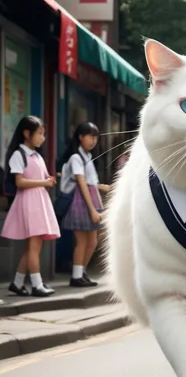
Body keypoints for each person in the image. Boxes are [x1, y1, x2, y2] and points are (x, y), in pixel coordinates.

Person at [1, 116, 59, 297]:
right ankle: (37, 284)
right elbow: (19, 181)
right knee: (34, 246)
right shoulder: (19, 154)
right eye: (40, 133)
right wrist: (44, 182)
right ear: (27, 133)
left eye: (44, 134)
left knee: (35, 246)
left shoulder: (36, 156)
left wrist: (47, 180)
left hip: (38, 201)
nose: (43, 138)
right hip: (29, 202)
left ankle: (18, 283)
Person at [59, 122, 110, 288]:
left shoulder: (87, 157)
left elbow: (90, 183)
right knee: (82, 241)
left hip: (89, 199)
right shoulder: (76, 157)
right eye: (90, 136)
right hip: (81, 202)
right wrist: (93, 210)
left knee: (92, 242)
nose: (93, 140)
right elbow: (82, 184)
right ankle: (76, 276)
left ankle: (81, 273)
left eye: (96, 137)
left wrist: (101, 188)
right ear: (81, 137)